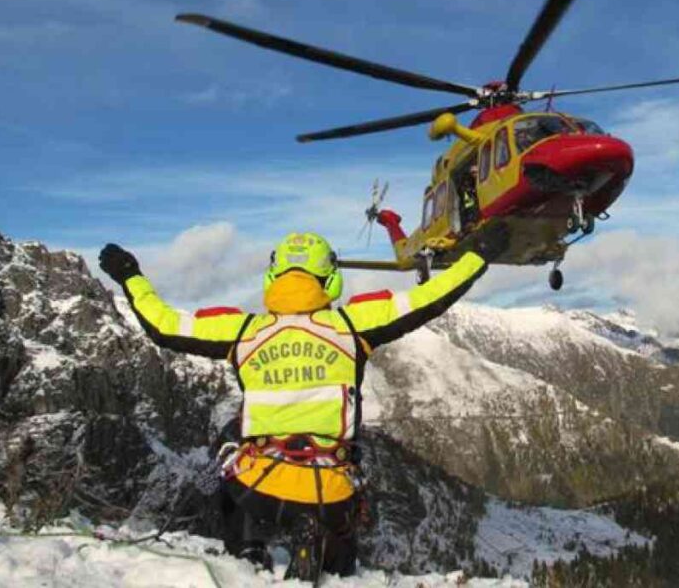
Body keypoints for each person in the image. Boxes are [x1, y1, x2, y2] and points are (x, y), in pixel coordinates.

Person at [98, 227, 508, 580]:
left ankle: (248, 551)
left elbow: (163, 325)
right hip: (329, 489)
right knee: (342, 515)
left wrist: (131, 275)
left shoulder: (243, 331)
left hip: (259, 486)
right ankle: (331, 559)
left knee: (227, 454)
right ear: (329, 279)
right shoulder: (353, 324)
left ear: (273, 276)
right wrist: (479, 253)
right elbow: (431, 298)